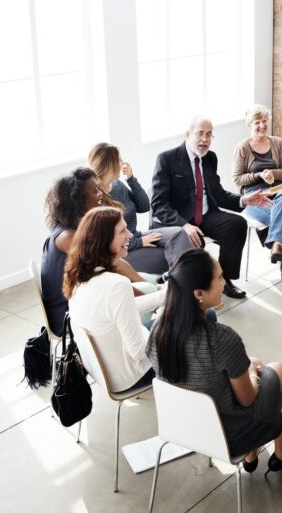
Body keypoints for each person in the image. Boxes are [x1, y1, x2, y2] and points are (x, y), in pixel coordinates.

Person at [148, 250, 282, 473]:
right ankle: (281, 452)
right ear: (198, 293)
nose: (224, 283)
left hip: (182, 427)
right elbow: (247, 400)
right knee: (279, 371)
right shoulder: (222, 339)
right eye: (219, 278)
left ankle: (253, 454)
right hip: (230, 435)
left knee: (246, 369)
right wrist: (252, 370)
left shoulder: (157, 331)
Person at [150, 116, 271, 300]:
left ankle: (225, 280)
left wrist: (244, 200)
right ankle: (187, 292)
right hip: (179, 221)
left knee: (237, 224)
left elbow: (218, 193)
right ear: (188, 134)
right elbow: (158, 204)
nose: (205, 140)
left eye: (209, 135)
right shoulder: (167, 159)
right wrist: (184, 225)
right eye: (200, 134)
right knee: (189, 242)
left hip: (206, 215)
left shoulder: (210, 158)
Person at [40, 168, 153, 336]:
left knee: (149, 287)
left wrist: (151, 292)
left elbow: (115, 265)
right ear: (77, 199)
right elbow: (111, 274)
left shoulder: (75, 227)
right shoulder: (68, 237)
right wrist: (152, 299)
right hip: (72, 320)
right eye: (95, 190)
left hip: (85, 305)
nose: (101, 193)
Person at [64, 207, 162, 394]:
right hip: (131, 376)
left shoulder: (79, 275)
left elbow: (123, 309)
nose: (130, 234)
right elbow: (139, 351)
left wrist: (166, 296)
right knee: (202, 318)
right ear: (103, 241)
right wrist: (169, 323)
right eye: (122, 231)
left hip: (103, 371)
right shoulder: (117, 285)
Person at [88, 142, 191, 276]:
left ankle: (182, 282)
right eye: (119, 159)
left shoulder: (117, 185)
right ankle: (183, 284)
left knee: (179, 234)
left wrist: (131, 179)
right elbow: (105, 244)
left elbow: (144, 206)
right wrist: (139, 242)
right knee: (176, 253)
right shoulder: (96, 197)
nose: (123, 162)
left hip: (135, 235)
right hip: (123, 251)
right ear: (110, 164)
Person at [232, 105, 282, 290]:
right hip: (253, 196)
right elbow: (237, 179)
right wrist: (258, 176)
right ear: (250, 125)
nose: (262, 126)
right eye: (257, 122)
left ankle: (276, 243)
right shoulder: (242, 147)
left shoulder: (277, 143)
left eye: (265, 121)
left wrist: (272, 174)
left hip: (278, 191)